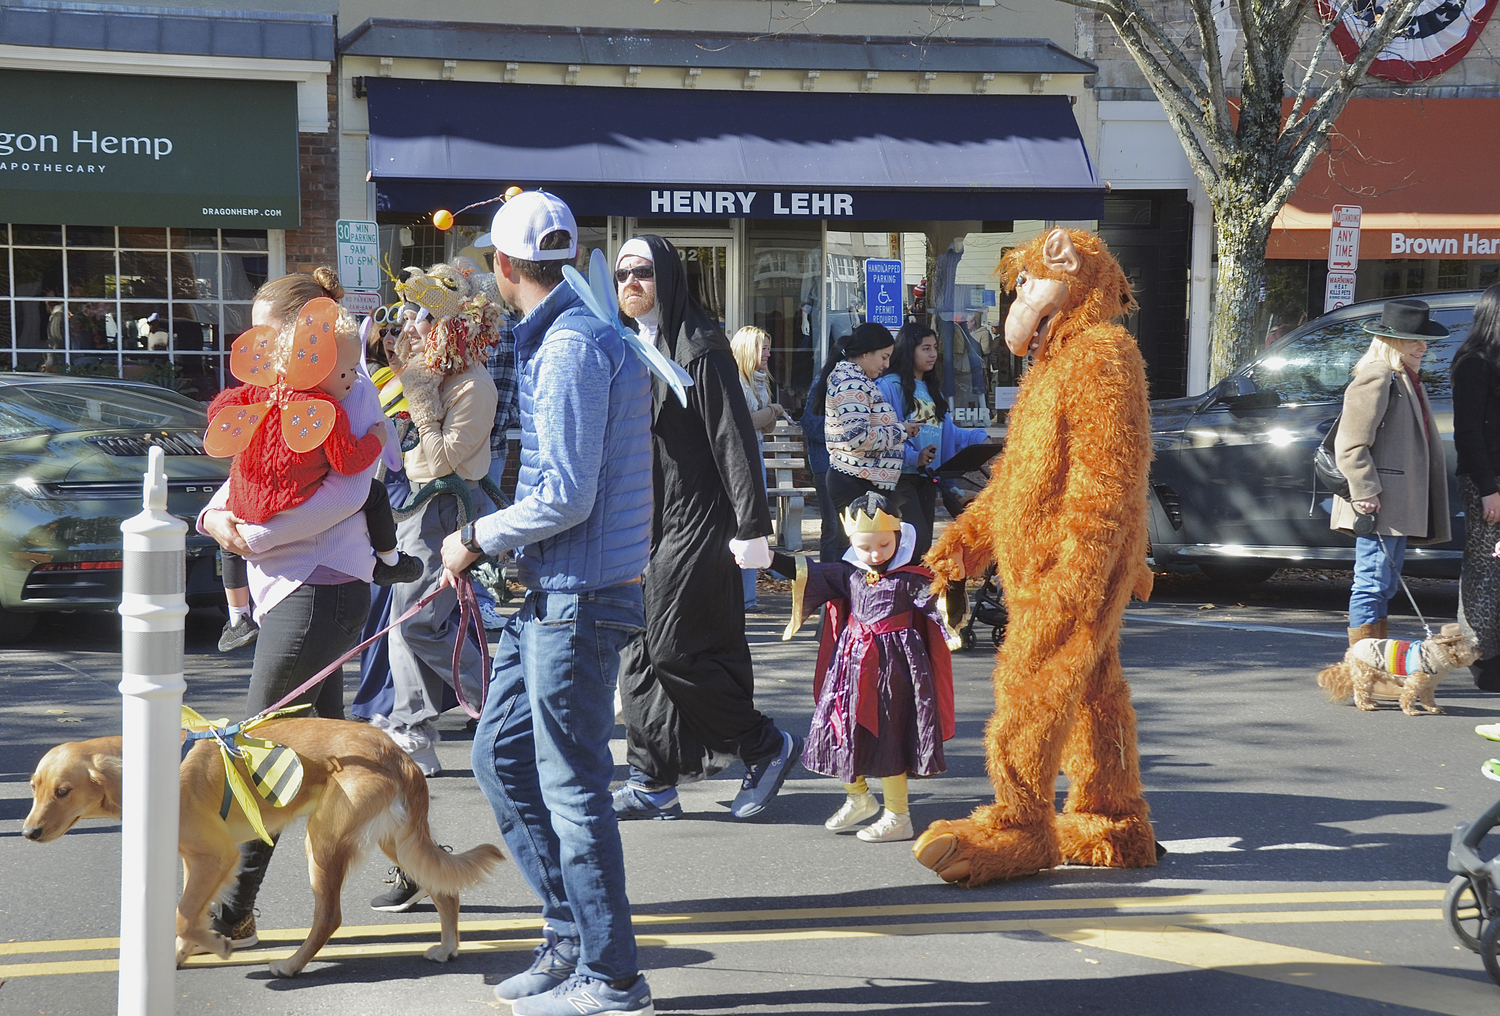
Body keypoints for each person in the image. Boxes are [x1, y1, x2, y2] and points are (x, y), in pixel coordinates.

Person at [441, 190, 655, 1016]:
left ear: (502, 267)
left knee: (573, 788)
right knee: (500, 755)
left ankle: (611, 974)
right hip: (561, 592)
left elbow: (563, 495)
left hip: (576, 594)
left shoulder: (569, 346)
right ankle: (572, 941)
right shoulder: (582, 334)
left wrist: (478, 537)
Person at [195, 267, 403, 951]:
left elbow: (349, 492)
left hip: (319, 589)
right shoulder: (277, 388)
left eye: (268, 325)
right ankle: (417, 862)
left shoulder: (354, 388)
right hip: (291, 587)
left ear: (307, 324)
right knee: (336, 756)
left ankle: (231, 913)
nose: (256, 339)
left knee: (258, 753)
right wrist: (212, 517)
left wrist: (251, 535)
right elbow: (245, 470)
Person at [611, 235, 800, 823]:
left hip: (699, 518)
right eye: (620, 275)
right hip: (645, 520)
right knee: (638, 652)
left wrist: (752, 525)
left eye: (641, 272)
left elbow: (733, 438)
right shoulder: (628, 345)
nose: (629, 284)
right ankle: (652, 778)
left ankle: (763, 745)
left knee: (673, 649)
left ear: (667, 277)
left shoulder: (700, 347)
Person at [211, 303, 421, 652]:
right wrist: (377, 439)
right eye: (349, 371)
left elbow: (218, 408)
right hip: (294, 501)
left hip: (247, 502)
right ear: (320, 367)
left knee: (229, 544)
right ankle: (390, 562)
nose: (355, 379)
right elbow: (348, 462)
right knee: (376, 495)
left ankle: (236, 617)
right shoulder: (326, 410)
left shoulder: (259, 391)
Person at [769, 492, 956, 843]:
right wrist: (767, 558)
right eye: (864, 547)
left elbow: (936, 600)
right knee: (843, 729)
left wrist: (949, 619)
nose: (874, 554)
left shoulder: (910, 578)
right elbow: (805, 571)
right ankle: (859, 798)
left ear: (899, 537)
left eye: (884, 545)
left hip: (897, 672)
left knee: (889, 737)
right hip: (850, 667)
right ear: (851, 541)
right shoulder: (849, 574)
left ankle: (899, 816)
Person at [378, 263, 501, 776]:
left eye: (425, 316)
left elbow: (444, 461)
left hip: (446, 510)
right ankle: (415, 730)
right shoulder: (436, 375)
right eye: (412, 313)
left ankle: (502, 704)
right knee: (403, 625)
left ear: (453, 326)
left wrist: (424, 410)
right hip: (422, 511)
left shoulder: (474, 385)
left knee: (417, 624)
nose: (412, 324)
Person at [1332, 298, 1451, 645]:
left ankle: (1376, 666)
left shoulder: (1405, 378)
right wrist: (1364, 490)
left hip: (1395, 503)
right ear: (1392, 341)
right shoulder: (1378, 375)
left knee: (1382, 585)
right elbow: (1351, 443)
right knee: (1371, 584)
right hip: (1380, 501)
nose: (1423, 347)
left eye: (1424, 339)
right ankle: (1364, 670)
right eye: (1414, 339)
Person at [876, 322, 990, 559]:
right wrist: (913, 456)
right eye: (925, 348)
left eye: (935, 348)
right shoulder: (889, 385)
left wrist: (980, 438)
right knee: (912, 539)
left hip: (928, 477)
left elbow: (949, 433)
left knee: (925, 541)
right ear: (909, 350)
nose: (933, 354)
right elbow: (888, 432)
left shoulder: (930, 389)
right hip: (901, 477)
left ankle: (918, 590)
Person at [1450, 284, 1500, 690]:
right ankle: (1480, 656)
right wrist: (1488, 488)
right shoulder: (1474, 363)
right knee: (1486, 569)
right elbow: (1468, 433)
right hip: (1486, 480)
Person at [818, 322, 921, 515]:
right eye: (884, 357)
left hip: (862, 480)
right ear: (866, 353)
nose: (887, 365)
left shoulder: (856, 379)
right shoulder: (851, 382)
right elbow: (859, 437)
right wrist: (902, 431)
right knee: (863, 545)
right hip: (857, 481)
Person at [730, 324, 788, 610]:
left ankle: (748, 596)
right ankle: (743, 597)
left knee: (758, 523)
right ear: (746, 349)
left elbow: (768, 427)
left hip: (758, 453)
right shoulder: (735, 380)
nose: (767, 353)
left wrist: (769, 410)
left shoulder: (759, 378)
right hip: (742, 460)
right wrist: (774, 409)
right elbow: (746, 422)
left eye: (768, 347)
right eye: (762, 347)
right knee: (748, 525)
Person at [799, 368, 842, 562]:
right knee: (832, 525)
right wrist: (844, 428)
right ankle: (827, 576)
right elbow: (811, 424)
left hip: (853, 465)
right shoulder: (822, 384)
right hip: (826, 464)